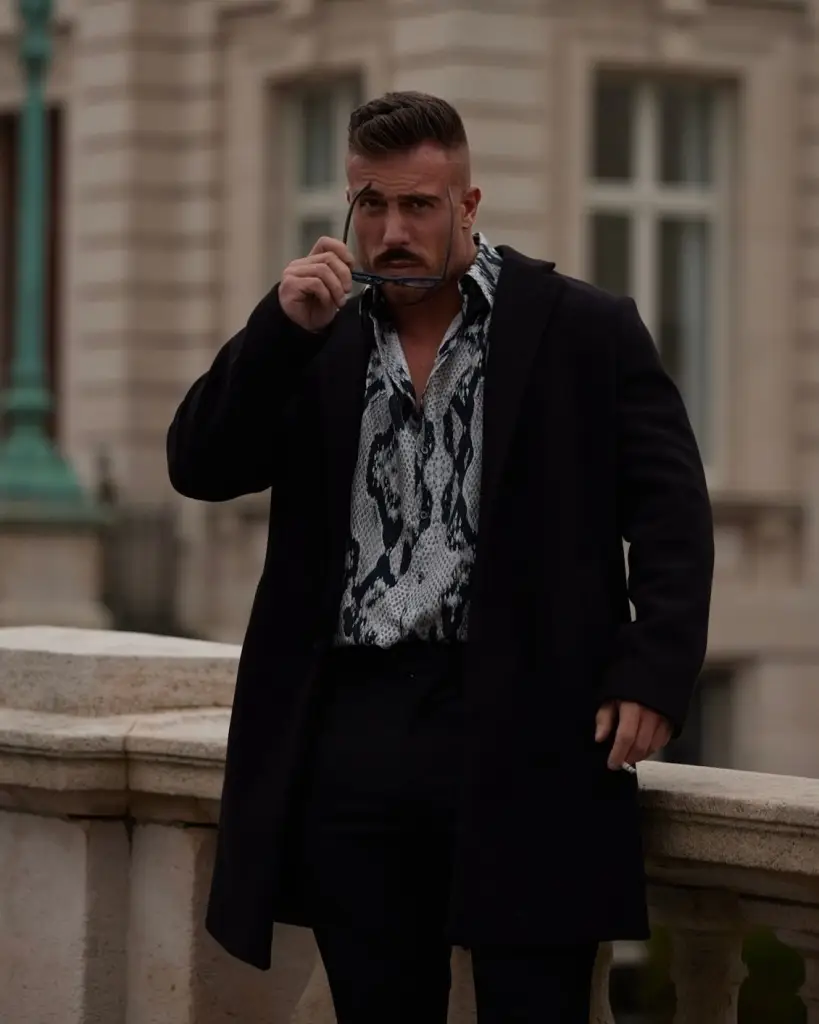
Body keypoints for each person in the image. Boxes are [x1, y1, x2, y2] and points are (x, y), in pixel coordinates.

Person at [167, 91, 714, 1023]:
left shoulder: (583, 328)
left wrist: (654, 671)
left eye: (418, 206)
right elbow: (200, 466)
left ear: (467, 204)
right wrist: (277, 332)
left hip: (531, 725)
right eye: (371, 205)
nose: (391, 232)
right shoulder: (315, 337)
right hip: (354, 731)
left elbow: (670, 512)